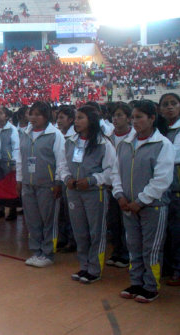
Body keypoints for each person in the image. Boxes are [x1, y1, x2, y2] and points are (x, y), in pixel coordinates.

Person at [111, 100, 174, 303]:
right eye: (133, 117)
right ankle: (136, 282)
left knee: (151, 248)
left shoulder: (162, 145)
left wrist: (141, 200)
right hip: (127, 206)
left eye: (139, 117)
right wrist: (119, 195)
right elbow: (115, 172)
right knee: (133, 246)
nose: (135, 121)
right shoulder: (125, 144)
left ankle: (150, 286)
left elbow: (162, 179)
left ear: (152, 118)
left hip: (152, 207)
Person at [61, 106, 116, 284]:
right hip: (74, 192)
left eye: (80, 118)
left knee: (96, 231)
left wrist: (92, 180)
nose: (76, 121)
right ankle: (84, 265)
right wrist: (67, 178)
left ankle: (95, 268)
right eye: (76, 118)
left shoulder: (104, 144)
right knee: (80, 231)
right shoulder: (70, 141)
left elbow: (111, 171)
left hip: (94, 193)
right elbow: (62, 165)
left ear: (91, 120)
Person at [17, 101, 66, 268]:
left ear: (46, 116)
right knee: (32, 220)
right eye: (32, 113)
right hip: (28, 184)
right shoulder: (24, 133)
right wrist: (19, 179)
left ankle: (47, 253)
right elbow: (20, 159)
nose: (34, 117)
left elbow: (61, 160)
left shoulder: (55, 135)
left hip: (47, 184)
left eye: (38, 114)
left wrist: (58, 181)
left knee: (48, 220)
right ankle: (36, 250)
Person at [107, 102, 135, 268]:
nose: (116, 119)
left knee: (128, 223)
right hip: (111, 186)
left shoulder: (133, 138)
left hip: (127, 185)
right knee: (114, 222)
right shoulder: (108, 138)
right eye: (114, 116)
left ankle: (127, 253)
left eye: (119, 115)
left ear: (128, 118)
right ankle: (117, 251)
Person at [159, 93, 180, 286]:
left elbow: (173, 157)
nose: (170, 107)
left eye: (173, 103)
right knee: (166, 232)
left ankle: (177, 269)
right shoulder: (161, 131)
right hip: (164, 190)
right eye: (165, 104)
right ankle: (166, 267)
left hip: (176, 188)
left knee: (177, 232)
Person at [56, 105, 77, 253]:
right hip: (60, 176)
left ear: (70, 120)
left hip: (70, 178)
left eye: (62, 118)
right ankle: (62, 237)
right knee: (60, 210)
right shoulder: (57, 134)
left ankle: (73, 239)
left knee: (71, 212)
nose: (58, 121)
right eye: (57, 117)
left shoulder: (75, 136)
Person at [0, 107, 19, 221]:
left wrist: (14, 162)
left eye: (1, 113)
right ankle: (1, 209)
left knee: (10, 187)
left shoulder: (12, 129)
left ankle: (12, 210)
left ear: (7, 116)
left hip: (8, 162)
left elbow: (15, 147)